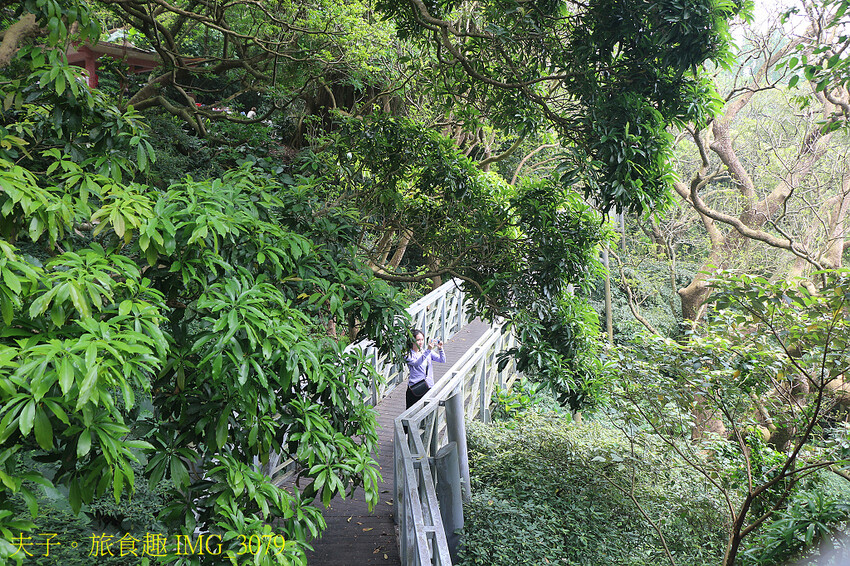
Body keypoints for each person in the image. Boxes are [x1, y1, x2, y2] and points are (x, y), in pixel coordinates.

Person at [405, 328, 445, 409]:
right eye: (418, 340)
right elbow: (417, 363)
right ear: (412, 341)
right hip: (415, 388)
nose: (421, 342)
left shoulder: (426, 352)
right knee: (412, 412)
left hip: (428, 386)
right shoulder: (408, 355)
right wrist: (428, 350)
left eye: (422, 340)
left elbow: (442, 360)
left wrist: (440, 349)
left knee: (428, 411)